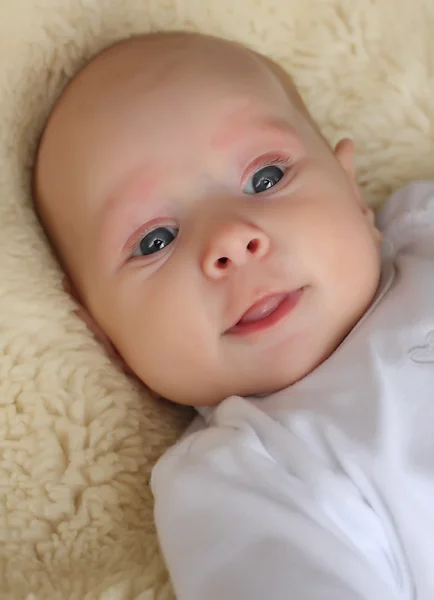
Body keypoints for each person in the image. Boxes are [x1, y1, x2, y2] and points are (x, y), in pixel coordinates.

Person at [33, 31, 432, 599]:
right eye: (155, 241)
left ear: (353, 191)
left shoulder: (424, 227)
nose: (230, 239)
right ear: (104, 335)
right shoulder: (240, 477)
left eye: (265, 179)